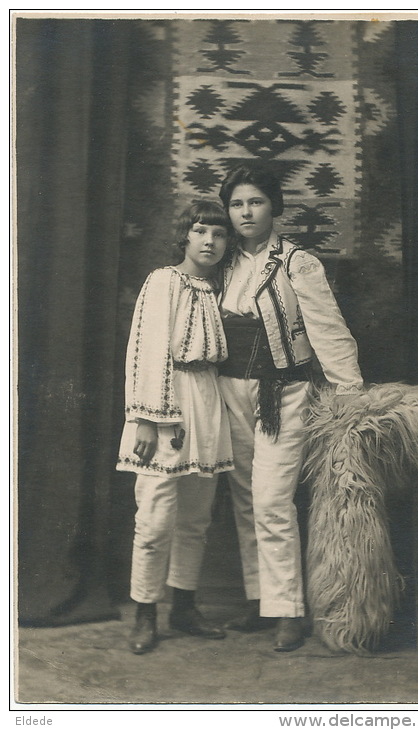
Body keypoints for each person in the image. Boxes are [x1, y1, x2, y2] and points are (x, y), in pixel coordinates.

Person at [217, 162, 364, 652]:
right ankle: (260, 601)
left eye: (255, 202)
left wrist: (349, 392)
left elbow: (327, 328)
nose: (245, 212)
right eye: (236, 204)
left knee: (271, 500)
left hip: (282, 393)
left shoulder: (297, 262)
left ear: (273, 206)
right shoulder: (224, 260)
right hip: (229, 390)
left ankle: (288, 612)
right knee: (243, 498)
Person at [117, 200, 235, 655]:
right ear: (185, 235)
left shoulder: (217, 287)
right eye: (201, 231)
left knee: (195, 518)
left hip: (206, 402)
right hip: (164, 405)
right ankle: (145, 612)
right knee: (154, 520)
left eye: (219, 234)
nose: (210, 241)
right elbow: (145, 349)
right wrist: (145, 419)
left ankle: (183, 607)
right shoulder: (163, 281)